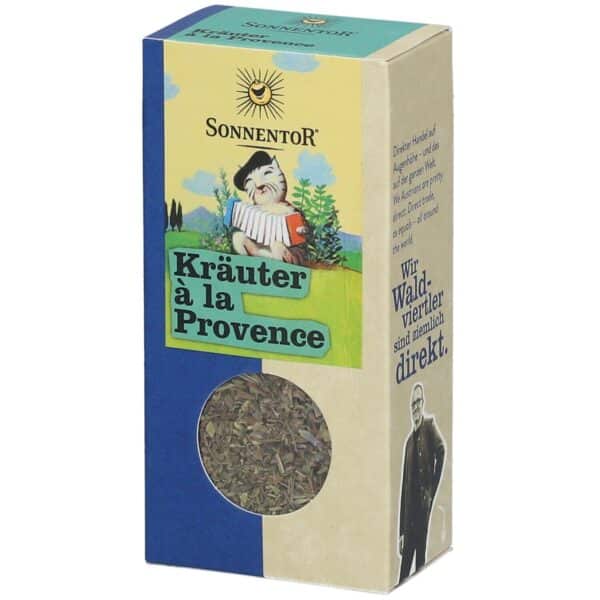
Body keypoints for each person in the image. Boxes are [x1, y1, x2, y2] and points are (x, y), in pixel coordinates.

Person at [398, 382, 445, 583]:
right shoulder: (408, 443)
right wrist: (400, 532)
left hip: (422, 515)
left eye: (418, 402)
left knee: (421, 567)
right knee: (403, 572)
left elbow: (441, 451)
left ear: (423, 402)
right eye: (412, 404)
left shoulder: (429, 425)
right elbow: (403, 489)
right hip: (408, 520)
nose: (415, 407)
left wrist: (430, 492)